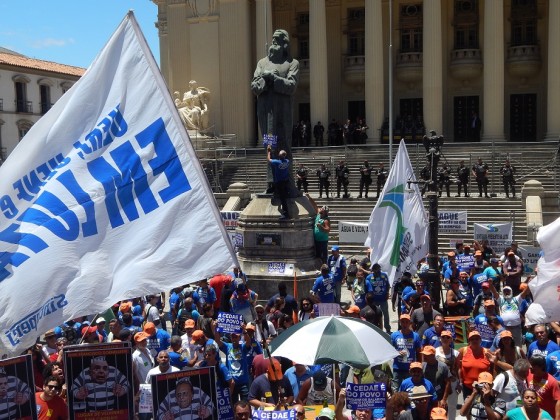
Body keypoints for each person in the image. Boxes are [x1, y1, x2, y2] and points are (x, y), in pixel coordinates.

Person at [252, 29, 299, 171]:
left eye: (277, 39)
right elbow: (254, 87)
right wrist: (265, 78)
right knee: (269, 146)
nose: (274, 41)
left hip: (282, 112)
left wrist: (275, 78)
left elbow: (291, 86)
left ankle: (286, 183)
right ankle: (271, 183)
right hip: (266, 112)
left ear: (285, 43)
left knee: (284, 144)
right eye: (273, 38)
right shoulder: (262, 63)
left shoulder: (292, 63)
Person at [391, 314, 422, 393]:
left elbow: (419, 352)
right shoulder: (394, 335)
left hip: (410, 369)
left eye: (406, 322)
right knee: (395, 390)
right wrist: (397, 352)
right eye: (402, 322)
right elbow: (389, 350)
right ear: (399, 323)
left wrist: (419, 366)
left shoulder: (415, 336)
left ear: (410, 323)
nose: (404, 324)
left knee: (410, 390)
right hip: (397, 368)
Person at [457, 331, 492, 399]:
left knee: (483, 407)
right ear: (469, 341)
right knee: (468, 408)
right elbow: (458, 367)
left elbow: (493, 368)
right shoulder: (463, 351)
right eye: (472, 339)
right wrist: (460, 382)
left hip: (484, 387)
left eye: (477, 339)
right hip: (467, 387)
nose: (474, 341)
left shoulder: (486, 352)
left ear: (480, 340)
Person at [435, 330, 460, 419]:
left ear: (451, 340)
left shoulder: (456, 353)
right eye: (443, 337)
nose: (445, 339)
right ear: (440, 339)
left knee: (452, 406)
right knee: (440, 405)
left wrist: (459, 383)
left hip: (453, 382)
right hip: (440, 383)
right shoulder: (435, 352)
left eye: (448, 337)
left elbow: (458, 369)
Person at [527, 355, 560, 419]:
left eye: (533, 365)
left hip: (546, 416)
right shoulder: (528, 374)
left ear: (541, 367)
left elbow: (558, 401)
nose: (530, 367)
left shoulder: (551, 381)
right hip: (531, 415)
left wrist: (557, 418)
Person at [267, 144, 291, 219]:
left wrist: (268, 151)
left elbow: (269, 159)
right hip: (285, 181)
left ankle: (285, 214)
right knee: (279, 190)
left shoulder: (277, 162)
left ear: (280, 155)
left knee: (282, 198)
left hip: (279, 182)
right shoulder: (287, 161)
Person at [367, 263, 392, 333]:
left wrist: (387, 293)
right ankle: (376, 328)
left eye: (378, 271)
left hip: (383, 299)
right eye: (375, 271)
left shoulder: (384, 275)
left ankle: (387, 328)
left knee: (386, 314)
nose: (376, 272)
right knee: (374, 314)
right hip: (374, 300)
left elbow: (388, 285)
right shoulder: (369, 277)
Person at [307, 194, 330, 263]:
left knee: (323, 255)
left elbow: (328, 230)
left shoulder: (326, 220)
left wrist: (321, 226)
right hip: (317, 239)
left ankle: (324, 266)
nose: (320, 209)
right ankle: (319, 266)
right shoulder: (318, 214)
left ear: (325, 212)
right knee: (317, 255)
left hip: (323, 241)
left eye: (322, 210)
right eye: (321, 209)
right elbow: (314, 205)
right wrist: (309, 197)